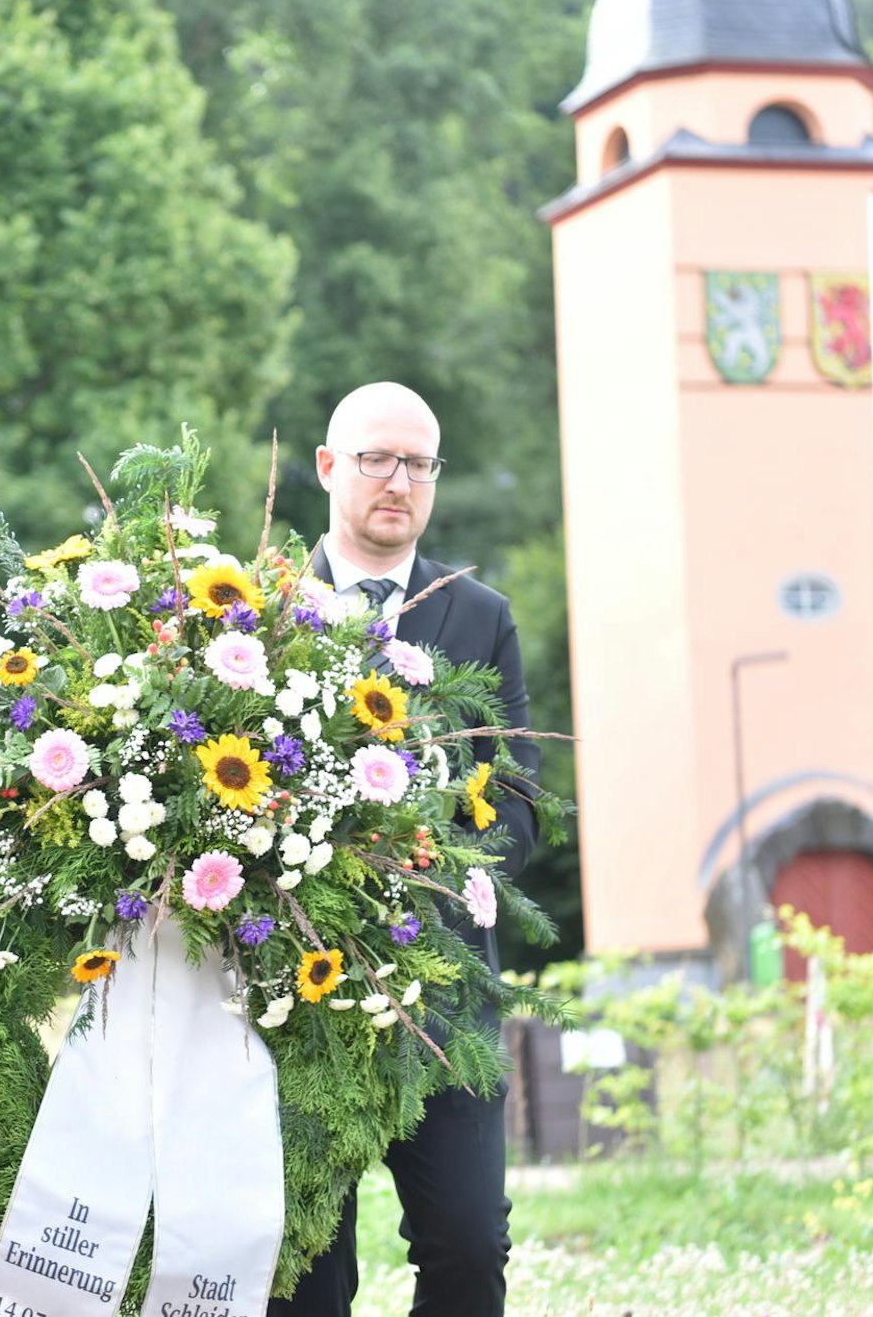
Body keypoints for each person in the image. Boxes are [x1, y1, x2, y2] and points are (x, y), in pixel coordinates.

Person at [275, 382, 543, 1317]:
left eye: (418, 462)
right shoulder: (257, 610)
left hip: (444, 997)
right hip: (292, 994)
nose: (398, 480)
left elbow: (518, 806)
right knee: (303, 1268)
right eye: (376, 458)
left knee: (471, 1245)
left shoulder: (481, 616)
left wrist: (436, 864)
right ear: (327, 467)